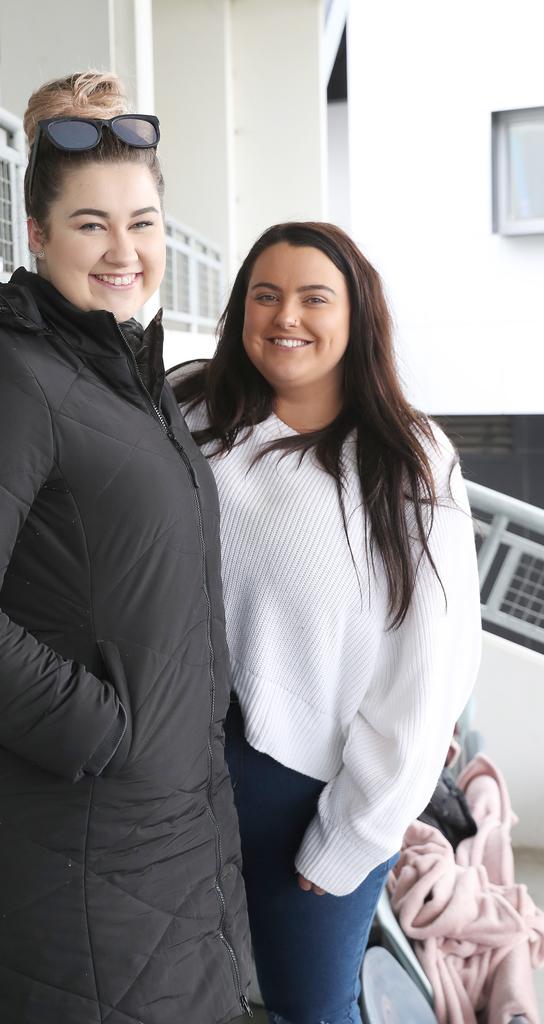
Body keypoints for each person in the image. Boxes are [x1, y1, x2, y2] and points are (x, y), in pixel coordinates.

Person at [0, 71, 251, 1024]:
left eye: (142, 221)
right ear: (38, 234)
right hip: (59, 849)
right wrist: (105, 735)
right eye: (91, 224)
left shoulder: (123, 369)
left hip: (160, 838)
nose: (124, 250)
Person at [172, 221, 481, 1024]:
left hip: (307, 788)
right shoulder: (191, 411)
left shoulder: (410, 463)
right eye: (265, 296)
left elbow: (429, 674)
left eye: (315, 298)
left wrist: (353, 830)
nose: (286, 318)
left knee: (308, 1009)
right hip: (167, 768)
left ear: (357, 318)